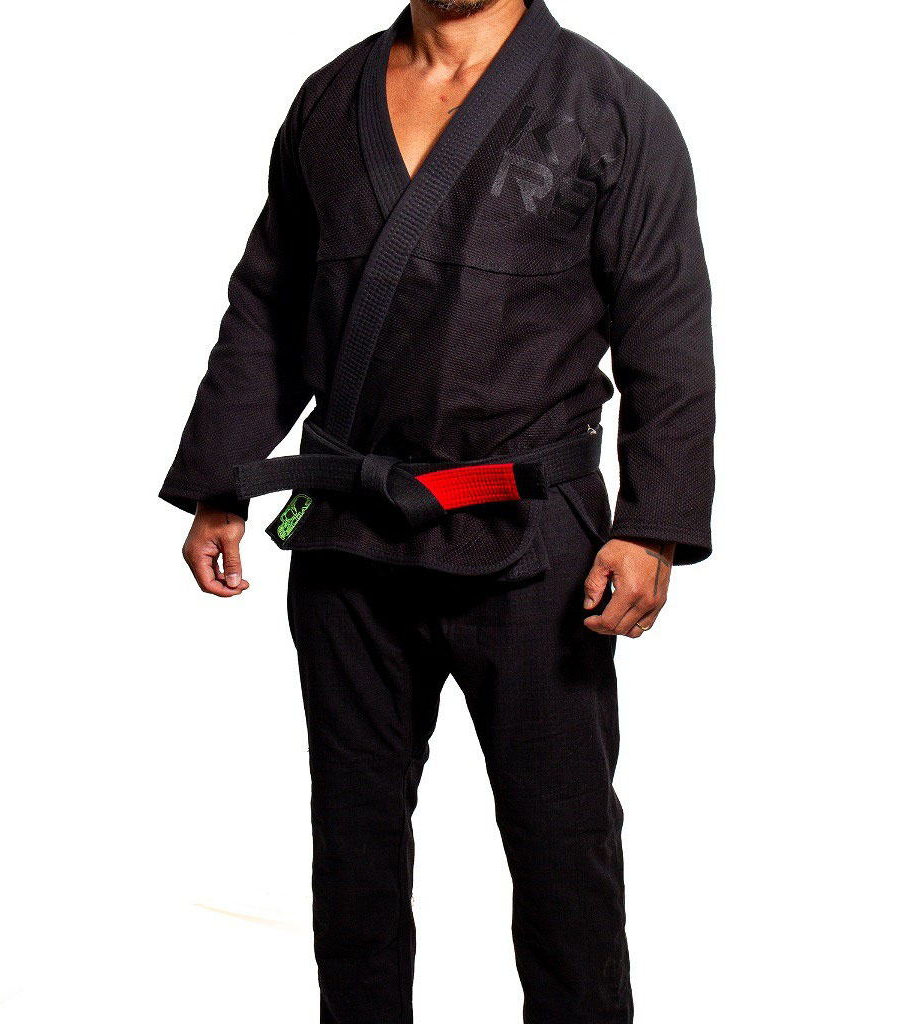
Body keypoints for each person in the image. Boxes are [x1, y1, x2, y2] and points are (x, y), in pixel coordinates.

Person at [160, 0, 715, 1019]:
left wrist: (653, 525)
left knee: (563, 843)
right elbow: (269, 302)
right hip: (349, 532)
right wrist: (219, 480)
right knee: (354, 844)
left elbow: (666, 328)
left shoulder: (610, 108)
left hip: (534, 539)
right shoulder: (332, 99)